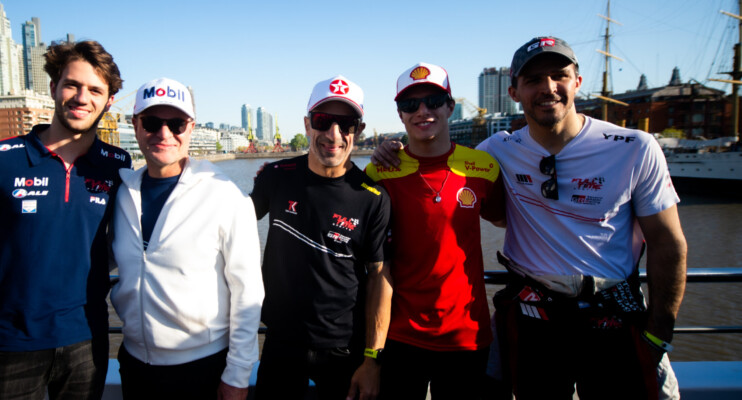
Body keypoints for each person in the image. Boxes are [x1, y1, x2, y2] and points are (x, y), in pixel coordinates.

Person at [373, 37, 687, 400]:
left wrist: (659, 333)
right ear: (515, 92)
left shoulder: (635, 147)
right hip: (534, 319)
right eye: (534, 80)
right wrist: (390, 147)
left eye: (559, 76)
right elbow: (484, 204)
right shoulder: (496, 152)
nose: (548, 88)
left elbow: (668, 243)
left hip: (611, 317)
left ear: (577, 82)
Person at [0, 40, 130, 400]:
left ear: (108, 102)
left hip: (87, 341)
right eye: (72, 85)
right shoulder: (0, 159)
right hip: (11, 342)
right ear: (54, 88)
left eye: (95, 90)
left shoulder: (118, 165)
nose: (82, 97)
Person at [109, 77, 264, 400]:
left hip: (202, 368)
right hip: (134, 364)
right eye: (152, 122)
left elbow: (247, 291)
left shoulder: (225, 196)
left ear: (191, 127)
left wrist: (237, 375)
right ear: (136, 125)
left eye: (176, 123)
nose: (164, 134)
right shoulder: (122, 193)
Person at [363, 63, 503, 399]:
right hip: (400, 336)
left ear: (450, 106)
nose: (422, 111)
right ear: (400, 115)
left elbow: (504, 220)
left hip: (466, 336)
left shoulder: (483, 167)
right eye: (411, 105)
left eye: (433, 101)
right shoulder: (380, 172)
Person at [250, 76, 392, 400]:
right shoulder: (276, 177)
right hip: (281, 343)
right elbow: (229, 227)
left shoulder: (372, 197)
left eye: (347, 124)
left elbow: (379, 279)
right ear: (307, 124)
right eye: (324, 121)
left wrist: (373, 359)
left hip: (344, 350)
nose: (334, 135)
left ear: (360, 129)